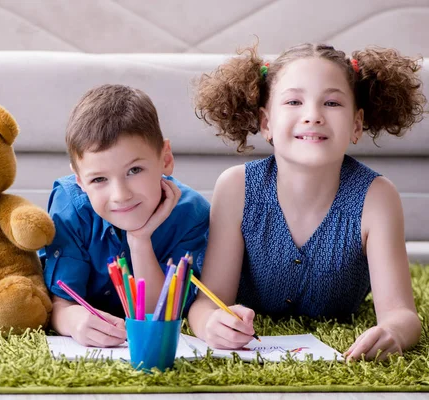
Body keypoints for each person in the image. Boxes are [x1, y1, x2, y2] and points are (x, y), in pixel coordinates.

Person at [187, 42, 426, 361]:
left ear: (356, 124)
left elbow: (403, 314)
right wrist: (209, 323)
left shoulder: (377, 197)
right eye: (294, 101)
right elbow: (208, 300)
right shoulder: (236, 188)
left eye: (331, 102)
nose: (312, 115)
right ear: (266, 122)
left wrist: (393, 331)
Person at [43, 84, 210, 347]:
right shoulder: (71, 207)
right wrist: (74, 320)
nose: (120, 195)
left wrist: (140, 239)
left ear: (165, 159)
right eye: (98, 179)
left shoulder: (191, 214)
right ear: (80, 182)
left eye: (134, 170)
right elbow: (60, 302)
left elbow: (159, 314)